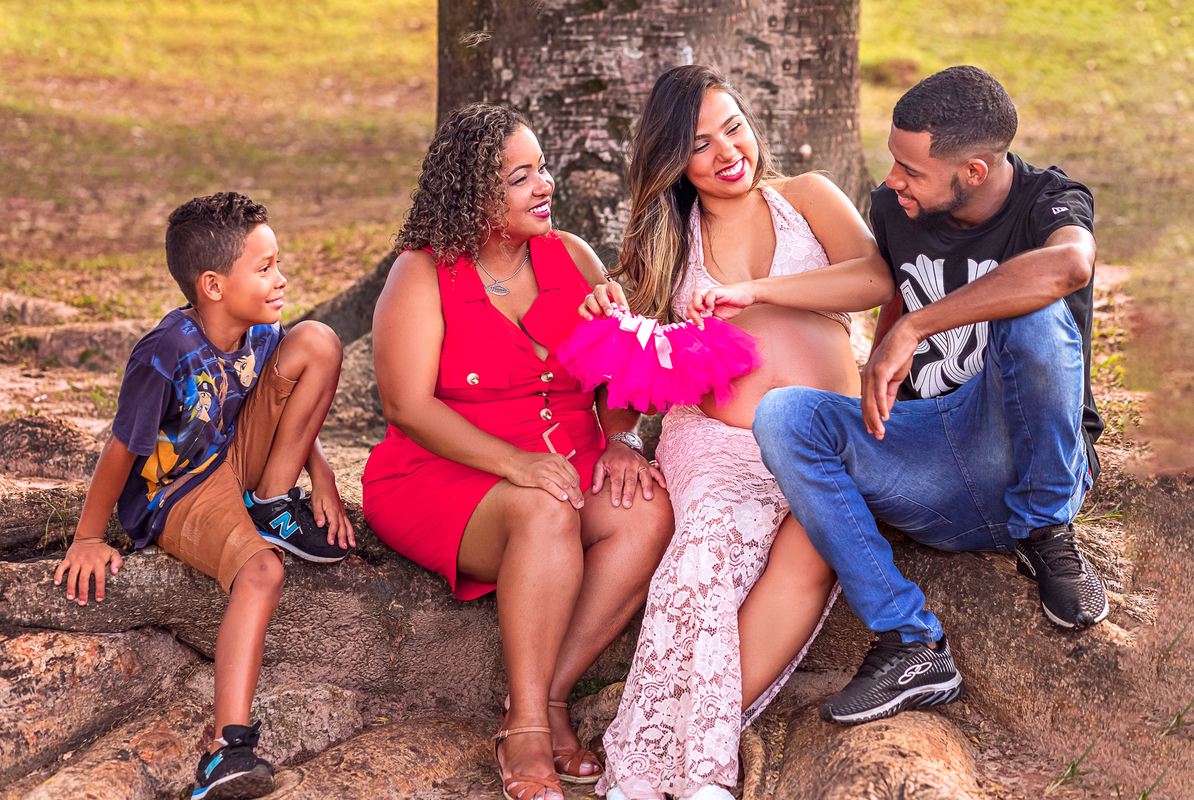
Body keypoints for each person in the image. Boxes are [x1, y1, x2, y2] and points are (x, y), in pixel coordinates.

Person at [751, 65, 1108, 726]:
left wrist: (916, 327)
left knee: (1035, 313)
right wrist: (881, 360)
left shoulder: (1049, 201)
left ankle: (1046, 532)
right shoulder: (896, 208)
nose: (893, 179)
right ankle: (910, 642)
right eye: (894, 161)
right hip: (931, 459)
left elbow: (1069, 266)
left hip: (1020, 451)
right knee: (785, 415)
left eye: (911, 169)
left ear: (974, 171)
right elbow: (899, 297)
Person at [585, 65, 895, 800]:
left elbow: (876, 280)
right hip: (718, 444)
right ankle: (669, 777)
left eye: (734, 128)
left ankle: (684, 759)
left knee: (814, 551)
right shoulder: (666, 248)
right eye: (700, 144)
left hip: (823, 440)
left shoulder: (806, 196)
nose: (728, 151)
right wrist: (619, 429)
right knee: (702, 552)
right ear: (673, 162)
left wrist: (757, 291)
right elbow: (630, 376)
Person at [361, 104, 674, 800]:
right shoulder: (421, 274)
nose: (544, 186)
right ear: (474, 195)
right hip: (444, 474)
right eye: (520, 177)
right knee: (543, 507)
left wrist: (622, 440)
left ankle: (547, 696)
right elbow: (407, 406)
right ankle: (527, 729)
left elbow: (616, 377)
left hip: (565, 460)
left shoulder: (573, 257)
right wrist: (516, 465)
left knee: (647, 509)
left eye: (543, 168)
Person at [53, 192, 355, 800]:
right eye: (265, 268)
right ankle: (226, 749)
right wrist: (88, 536)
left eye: (277, 264)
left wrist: (319, 473)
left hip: (237, 458)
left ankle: (272, 504)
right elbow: (121, 450)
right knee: (263, 572)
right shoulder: (164, 353)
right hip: (180, 493)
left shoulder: (261, 332)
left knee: (318, 340)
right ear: (213, 286)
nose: (281, 279)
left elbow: (285, 404)